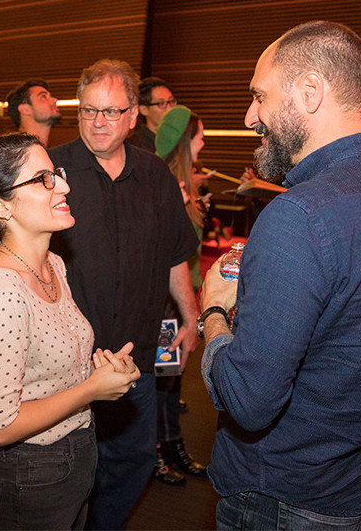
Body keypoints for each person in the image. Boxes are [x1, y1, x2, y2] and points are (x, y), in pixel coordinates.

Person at [198, 20, 361, 529]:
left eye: (259, 96)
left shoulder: (301, 216)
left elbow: (248, 400)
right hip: (358, 483)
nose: (250, 117)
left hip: (282, 496)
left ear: (310, 92)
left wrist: (215, 312)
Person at [0, 132, 140, 530]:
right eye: (42, 179)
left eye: (54, 172)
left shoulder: (54, 264)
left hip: (73, 456)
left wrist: (100, 373)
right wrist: (91, 390)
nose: (64, 184)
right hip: (28, 476)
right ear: (1, 206)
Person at [48, 59, 200, 529]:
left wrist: (191, 317)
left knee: (133, 462)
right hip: (68, 361)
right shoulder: (51, 172)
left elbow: (176, 253)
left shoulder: (155, 176)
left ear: (133, 115)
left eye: (111, 112)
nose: (99, 121)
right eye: (90, 110)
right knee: (68, 472)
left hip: (137, 352)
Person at [151, 104, 209, 485]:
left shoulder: (188, 183)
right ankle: (155, 452)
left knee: (172, 382)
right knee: (161, 382)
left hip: (182, 298)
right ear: (185, 140)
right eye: (201, 134)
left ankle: (173, 444)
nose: (205, 140)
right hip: (163, 303)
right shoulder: (165, 185)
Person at [6, 79, 61, 146]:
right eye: (43, 96)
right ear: (26, 109)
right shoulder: (13, 154)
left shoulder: (51, 153)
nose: (54, 100)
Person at [130, 76, 177, 152]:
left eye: (171, 101)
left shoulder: (176, 139)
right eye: (161, 103)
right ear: (143, 110)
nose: (169, 108)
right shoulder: (136, 146)